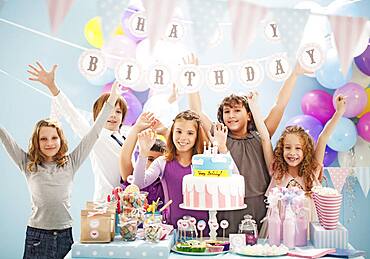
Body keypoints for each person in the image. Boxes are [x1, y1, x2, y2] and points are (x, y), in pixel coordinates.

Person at [185, 53, 307, 234]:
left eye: (236, 110)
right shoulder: (219, 135)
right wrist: (191, 76)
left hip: (260, 202)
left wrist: (294, 74)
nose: (231, 115)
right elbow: (196, 111)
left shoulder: (261, 135)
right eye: (227, 111)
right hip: (228, 204)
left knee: (260, 246)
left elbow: (279, 105)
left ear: (249, 114)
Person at [0, 81, 119, 259]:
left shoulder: (71, 162)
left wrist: (111, 101)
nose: (49, 143)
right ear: (37, 142)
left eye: (54, 138)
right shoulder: (28, 163)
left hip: (65, 235)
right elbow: (6, 139)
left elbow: (94, 133)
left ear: (60, 140)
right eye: (43, 139)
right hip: (37, 236)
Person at [27, 62, 134, 202]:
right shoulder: (96, 137)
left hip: (130, 203)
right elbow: (73, 115)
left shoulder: (126, 137)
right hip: (105, 204)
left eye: (118, 112)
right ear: (98, 115)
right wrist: (52, 87)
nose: (113, 115)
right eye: (108, 110)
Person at [247, 91, 346, 223]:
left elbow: (323, 138)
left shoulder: (312, 170)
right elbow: (265, 138)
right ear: (281, 149)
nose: (292, 153)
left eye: (298, 148)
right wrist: (254, 107)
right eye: (288, 147)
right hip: (279, 229)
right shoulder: (277, 170)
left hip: (307, 229)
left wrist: (339, 112)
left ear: (306, 151)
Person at [132, 110, 218, 228]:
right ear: (172, 132)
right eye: (179, 131)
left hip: (203, 232)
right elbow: (138, 184)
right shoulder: (162, 162)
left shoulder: (205, 162)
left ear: (197, 136)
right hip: (173, 231)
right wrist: (143, 153)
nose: (183, 137)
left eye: (190, 133)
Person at [119, 112, 167, 205]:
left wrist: (165, 132)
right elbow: (124, 157)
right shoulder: (132, 178)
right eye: (151, 159)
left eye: (159, 161)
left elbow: (177, 155)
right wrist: (137, 128)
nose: (155, 164)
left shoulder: (165, 182)